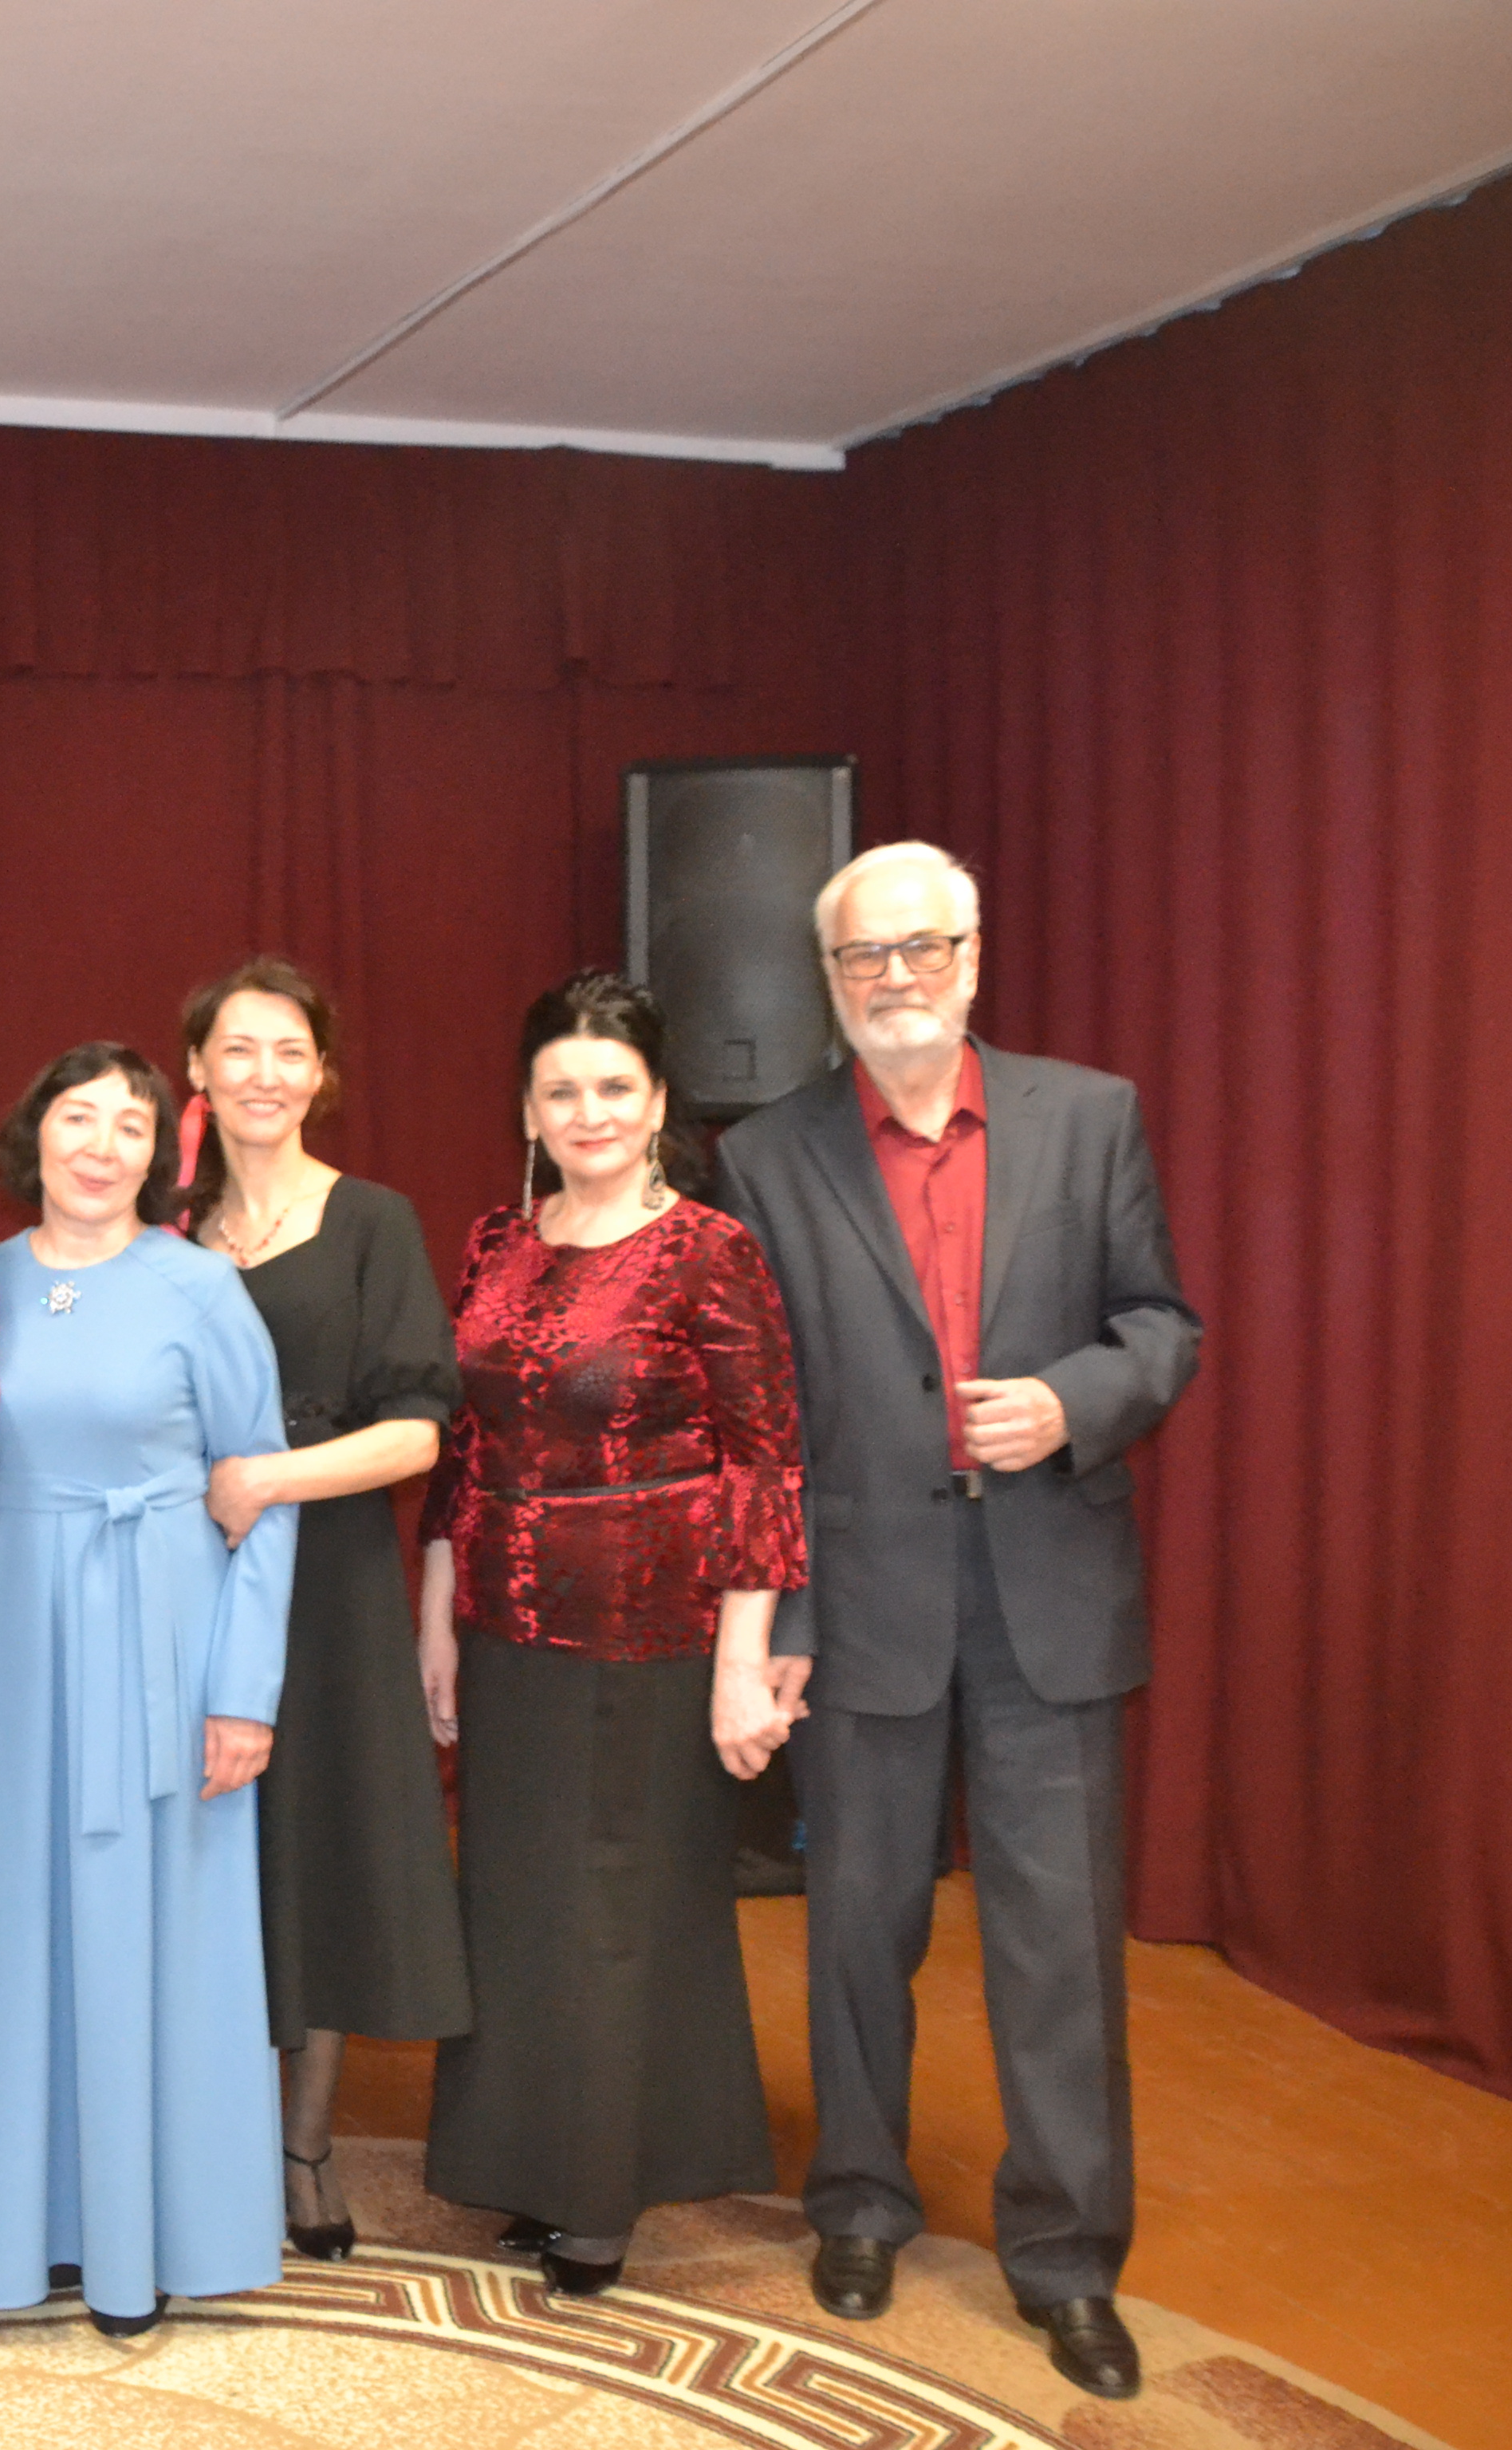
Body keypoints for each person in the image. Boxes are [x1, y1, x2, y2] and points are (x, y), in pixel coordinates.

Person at [713, 843, 1199, 2402]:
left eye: (923, 947)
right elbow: (761, 1412)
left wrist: (1072, 1403)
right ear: (829, 979)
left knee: (1058, 1946)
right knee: (860, 1928)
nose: (896, 977)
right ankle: (860, 2204)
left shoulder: (1091, 1116)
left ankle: (1067, 2260)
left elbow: (1161, 1325)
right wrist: (779, 1613)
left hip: (1049, 1587)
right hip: (861, 1598)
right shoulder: (765, 1155)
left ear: (974, 956)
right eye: (863, 956)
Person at [413, 971, 808, 2297]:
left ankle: (599, 2192)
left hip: (652, 1634)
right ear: (528, 1109)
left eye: (614, 1088)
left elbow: (764, 1463)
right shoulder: (494, 1242)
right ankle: (528, 2166)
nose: (588, 1111)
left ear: (657, 1104)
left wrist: (745, 1662)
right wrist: (437, 1621)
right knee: (516, 1908)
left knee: (617, 1914)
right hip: (504, 1633)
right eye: (561, 1089)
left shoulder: (708, 1250)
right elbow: (459, 1452)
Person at [0, 1042, 297, 2337]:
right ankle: (18, 2230)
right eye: (77, 1118)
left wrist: (243, 1693)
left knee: (162, 1941)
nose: (101, 1146)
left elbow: (264, 1493)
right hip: (14, 1644)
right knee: (18, 1929)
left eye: (130, 1126)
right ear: (35, 1135)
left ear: (160, 1153)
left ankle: (152, 2242)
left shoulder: (204, 1288)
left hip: (165, 1647)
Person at [176, 959, 467, 2262]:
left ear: (322, 1075)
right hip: (181, 1581)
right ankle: (204, 2129)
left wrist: (267, 1481)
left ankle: (302, 2149)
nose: (263, 1074)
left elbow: (417, 1433)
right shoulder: (160, 1226)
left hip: (329, 1579)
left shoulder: (372, 1223)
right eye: (237, 1050)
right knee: (207, 1851)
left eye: (288, 1051)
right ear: (196, 1069)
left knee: (321, 1850)